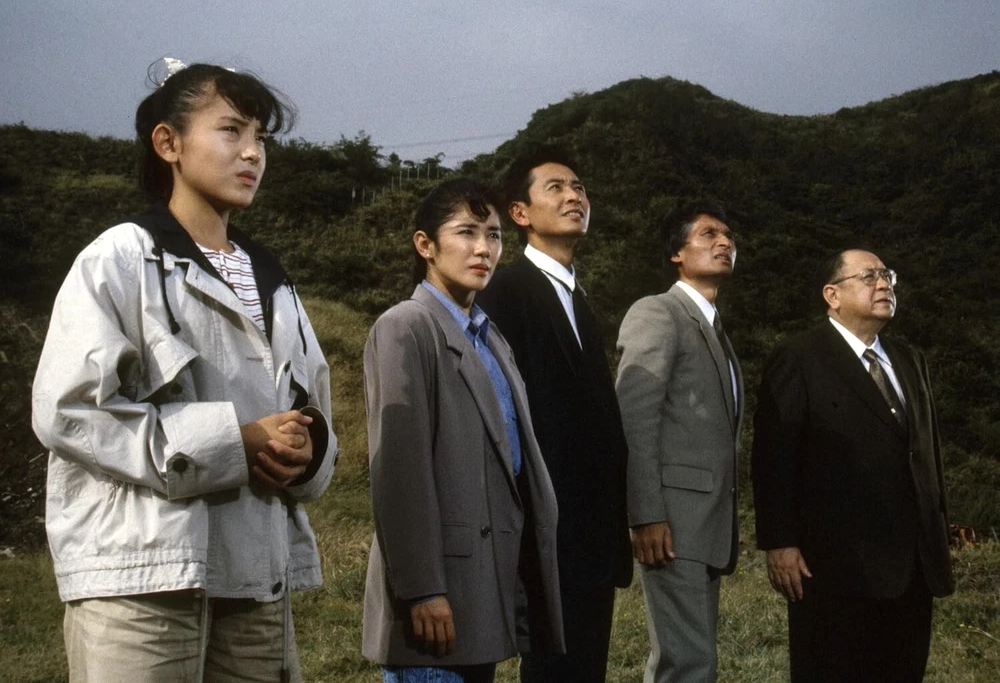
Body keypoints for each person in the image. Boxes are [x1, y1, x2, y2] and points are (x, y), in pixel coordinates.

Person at [31, 60, 337, 682]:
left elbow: (316, 403)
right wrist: (234, 442)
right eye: (231, 130)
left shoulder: (275, 280)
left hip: (255, 578)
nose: (252, 153)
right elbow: (70, 409)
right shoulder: (119, 257)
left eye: (261, 138)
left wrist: (307, 451)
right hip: (142, 575)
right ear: (168, 143)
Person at [361, 178, 564, 683]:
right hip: (437, 595)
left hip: (482, 586)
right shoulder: (406, 326)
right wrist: (422, 589)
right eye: (466, 232)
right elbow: (399, 472)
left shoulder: (490, 337)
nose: (483, 249)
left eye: (493, 235)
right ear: (425, 245)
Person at [752, 248, 954, 682]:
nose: (884, 285)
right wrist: (779, 541)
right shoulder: (799, 357)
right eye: (869, 277)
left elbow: (926, 454)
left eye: (887, 276)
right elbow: (773, 457)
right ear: (833, 294)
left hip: (913, 569)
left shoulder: (909, 360)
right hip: (834, 567)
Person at [476, 145, 632, 683]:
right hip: (545, 527)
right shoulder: (505, 290)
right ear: (519, 213)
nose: (574, 196)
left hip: (591, 530)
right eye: (557, 187)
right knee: (552, 670)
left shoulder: (577, 299)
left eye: (580, 188)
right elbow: (501, 416)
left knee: (585, 666)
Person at [615, 200, 743, 682]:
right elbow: (635, 416)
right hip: (672, 523)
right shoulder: (658, 312)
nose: (724, 242)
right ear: (677, 253)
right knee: (687, 664)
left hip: (706, 524)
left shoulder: (714, 329)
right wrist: (645, 513)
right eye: (708, 234)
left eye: (728, 236)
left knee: (694, 661)